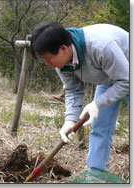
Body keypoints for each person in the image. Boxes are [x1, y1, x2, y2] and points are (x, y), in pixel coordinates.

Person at [30, 22, 129, 181]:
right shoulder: (62, 64)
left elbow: (126, 80)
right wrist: (70, 120)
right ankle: (95, 175)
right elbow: (73, 90)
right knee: (99, 124)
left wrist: (97, 103)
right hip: (108, 78)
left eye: (48, 59)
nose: (47, 64)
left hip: (128, 72)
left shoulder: (100, 46)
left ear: (63, 49)